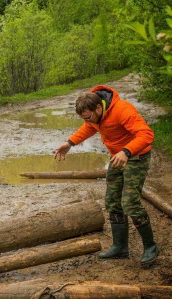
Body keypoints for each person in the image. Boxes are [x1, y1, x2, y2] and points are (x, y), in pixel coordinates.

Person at [54, 85, 158, 267]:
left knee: (130, 202)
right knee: (112, 201)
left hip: (136, 156)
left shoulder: (122, 110)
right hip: (117, 157)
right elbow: (89, 127)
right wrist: (70, 143)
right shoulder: (94, 116)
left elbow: (147, 134)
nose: (87, 120)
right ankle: (120, 247)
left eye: (88, 116)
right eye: (84, 118)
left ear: (99, 108)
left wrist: (126, 151)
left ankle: (150, 247)